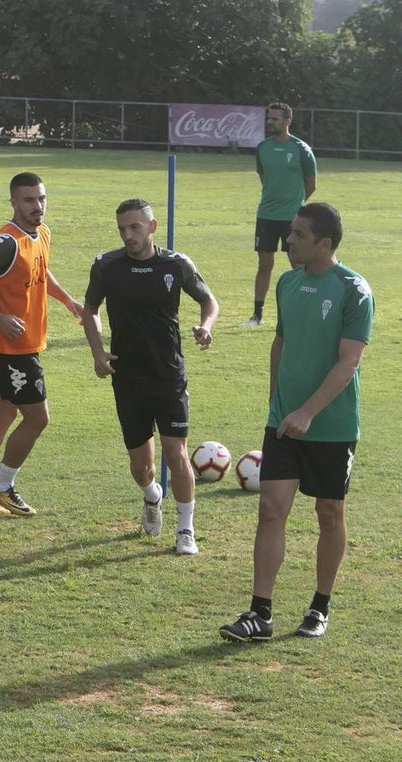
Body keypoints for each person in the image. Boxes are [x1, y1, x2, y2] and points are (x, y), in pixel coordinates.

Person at [221, 202, 372, 641]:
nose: (288, 241)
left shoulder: (354, 290)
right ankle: (260, 614)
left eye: (299, 235)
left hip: (332, 426)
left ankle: (319, 606)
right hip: (284, 422)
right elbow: (280, 342)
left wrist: (308, 412)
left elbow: (349, 363)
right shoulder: (287, 282)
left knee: (329, 513)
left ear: (325, 244)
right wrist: (278, 406)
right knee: (270, 511)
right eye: (290, 232)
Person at [80, 198, 219, 554]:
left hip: (168, 374)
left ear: (152, 227)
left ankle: (185, 530)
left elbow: (209, 301)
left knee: (176, 452)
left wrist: (205, 326)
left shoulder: (176, 264)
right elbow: (91, 309)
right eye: (122, 229)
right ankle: (152, 495)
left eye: (135, 228)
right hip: (127, 377)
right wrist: (97, 351)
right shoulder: (106, 266)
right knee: (142, 467)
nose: (128, 235)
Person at [0, 172, 83, 517]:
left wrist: (67, 300)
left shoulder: (41, 234)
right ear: (13, 202)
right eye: (29, 200)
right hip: (10, 349)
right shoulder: (5, 243)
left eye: (41, 198)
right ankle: (2, 486)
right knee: (38, 418)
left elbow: (41, 272)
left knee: (4, 413)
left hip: (26, 344)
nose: (37, 206)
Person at [245, 102, 317, 327]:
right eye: (269, 118)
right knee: (264, 265)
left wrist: (295, 204)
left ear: (288, 121)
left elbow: (311, 184)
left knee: (298, 266)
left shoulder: (301, 149)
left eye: (275, 118)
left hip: (292, 218)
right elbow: (263, 177)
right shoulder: (262, 148)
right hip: (266, 215)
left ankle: (304, 310)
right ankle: (257, 315)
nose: (270, 122)